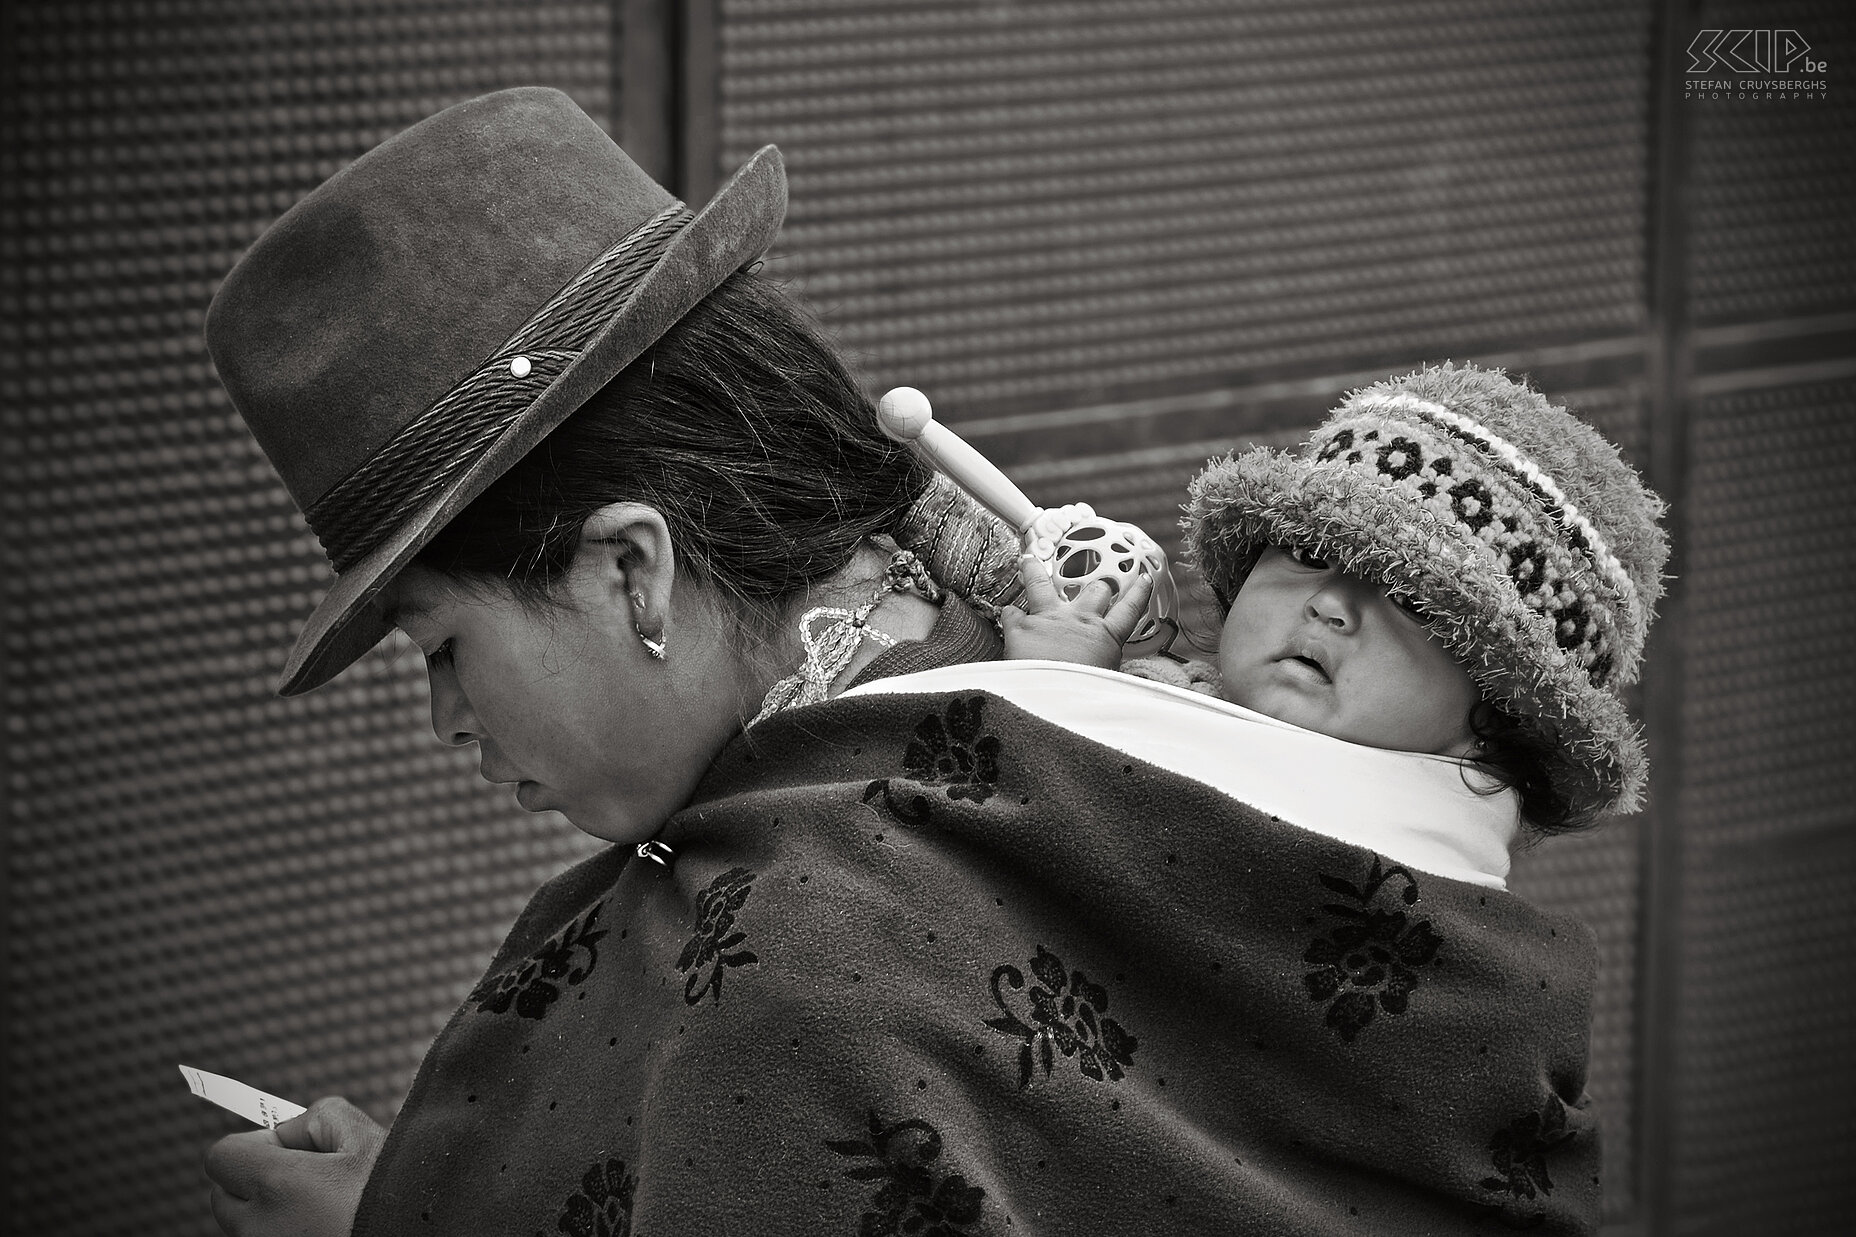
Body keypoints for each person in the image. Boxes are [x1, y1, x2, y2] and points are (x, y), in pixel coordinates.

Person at [201, 88, 1648, 1235]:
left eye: (441, 645)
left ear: (633, 566)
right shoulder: (1002, 703)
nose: (449, 718)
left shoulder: (802, 953)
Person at [986, 361, 1668, 890]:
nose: (1330, 605)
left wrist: (1043, 699)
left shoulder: (1406, 884)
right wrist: (1084, 677)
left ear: (1495, 719)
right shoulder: (1147, 685)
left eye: (1410, 597)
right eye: (1309, 555)